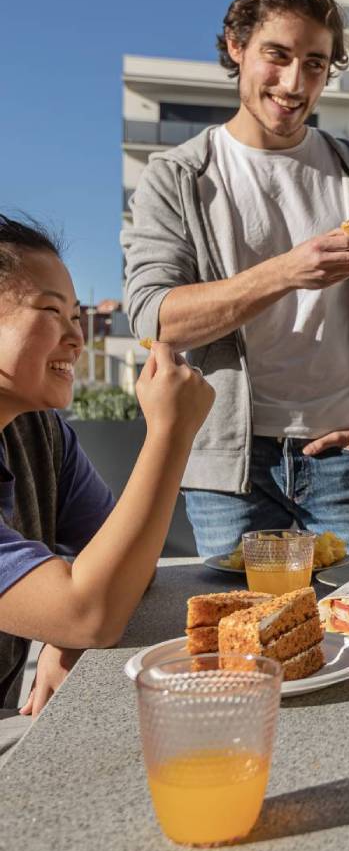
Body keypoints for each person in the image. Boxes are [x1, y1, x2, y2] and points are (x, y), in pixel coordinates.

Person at [122, 0, 349, 558]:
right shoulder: (178, 178)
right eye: (277, 55)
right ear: (237, 46)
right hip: (230, 471)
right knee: (240, 645)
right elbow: (155, 315)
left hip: (347, 460)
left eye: (315, 63)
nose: (294, 82)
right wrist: (287, 271)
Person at [0, 214, 213, 746]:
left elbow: (124, 569)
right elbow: (91, 613)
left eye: (76, 316)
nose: (77, 335)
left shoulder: (41, 434)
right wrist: (170, 431)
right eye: (51, 311)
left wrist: (62, 636)